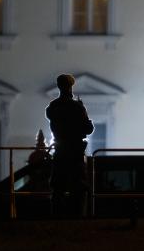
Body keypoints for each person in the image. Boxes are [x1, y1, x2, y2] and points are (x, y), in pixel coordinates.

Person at [45, 74, 94, 216]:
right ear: (70, 86)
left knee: (58, 187)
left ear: (59, 86)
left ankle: (57, 216)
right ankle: (77, 216)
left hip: (60, 150)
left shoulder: (53, 107)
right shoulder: (76, 107)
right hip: (75, 151)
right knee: (78, 186)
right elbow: (88, 129)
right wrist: (83, 112)